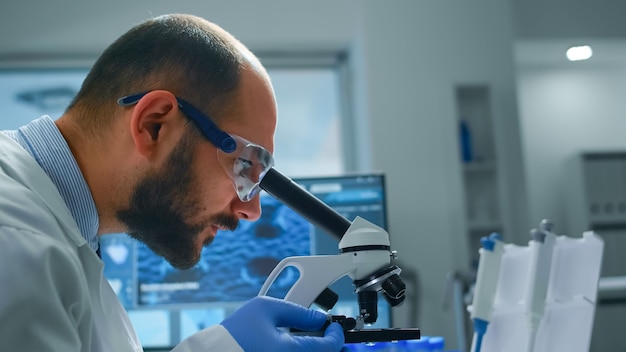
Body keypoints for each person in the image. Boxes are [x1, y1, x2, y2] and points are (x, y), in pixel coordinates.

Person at [0, 13, 344, 352]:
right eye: (244, 166)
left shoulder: (68, 235)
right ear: (154, 126)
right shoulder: (17, 246)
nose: (251, 210)